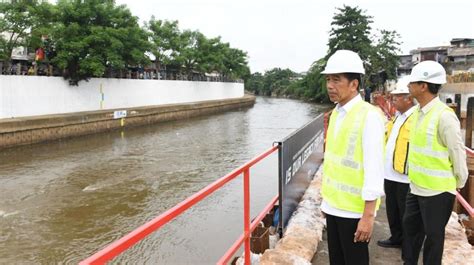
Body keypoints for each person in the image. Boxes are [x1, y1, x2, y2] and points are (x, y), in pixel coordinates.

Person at [320, 50, 385, 265]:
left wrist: (368, 216)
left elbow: (374, 168)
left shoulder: (369, 116)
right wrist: (326, 202)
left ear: (354, 84)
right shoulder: (337, 113)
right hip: (334, 207)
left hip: (354, 212)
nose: (330, 85)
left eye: (336, 80)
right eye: (328, 79)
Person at [403, 60, 468, 265]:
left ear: (424, 86)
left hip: (438, 193)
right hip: (416, 187)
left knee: (433, 239)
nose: (408, 86)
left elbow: (457, 152)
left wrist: (460, 180)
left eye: (412, 82)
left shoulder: (444, 117)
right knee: (410, 232)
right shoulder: (417, 113)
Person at [377, 76, 416, 249]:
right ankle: (396, 237)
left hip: (404, 176)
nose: (393, 100)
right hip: (390, 173)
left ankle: (408, 243)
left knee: (405, 213)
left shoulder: (416, 118)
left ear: (408, 98)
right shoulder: (397, 117)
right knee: (392, 210)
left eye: (396, 97)